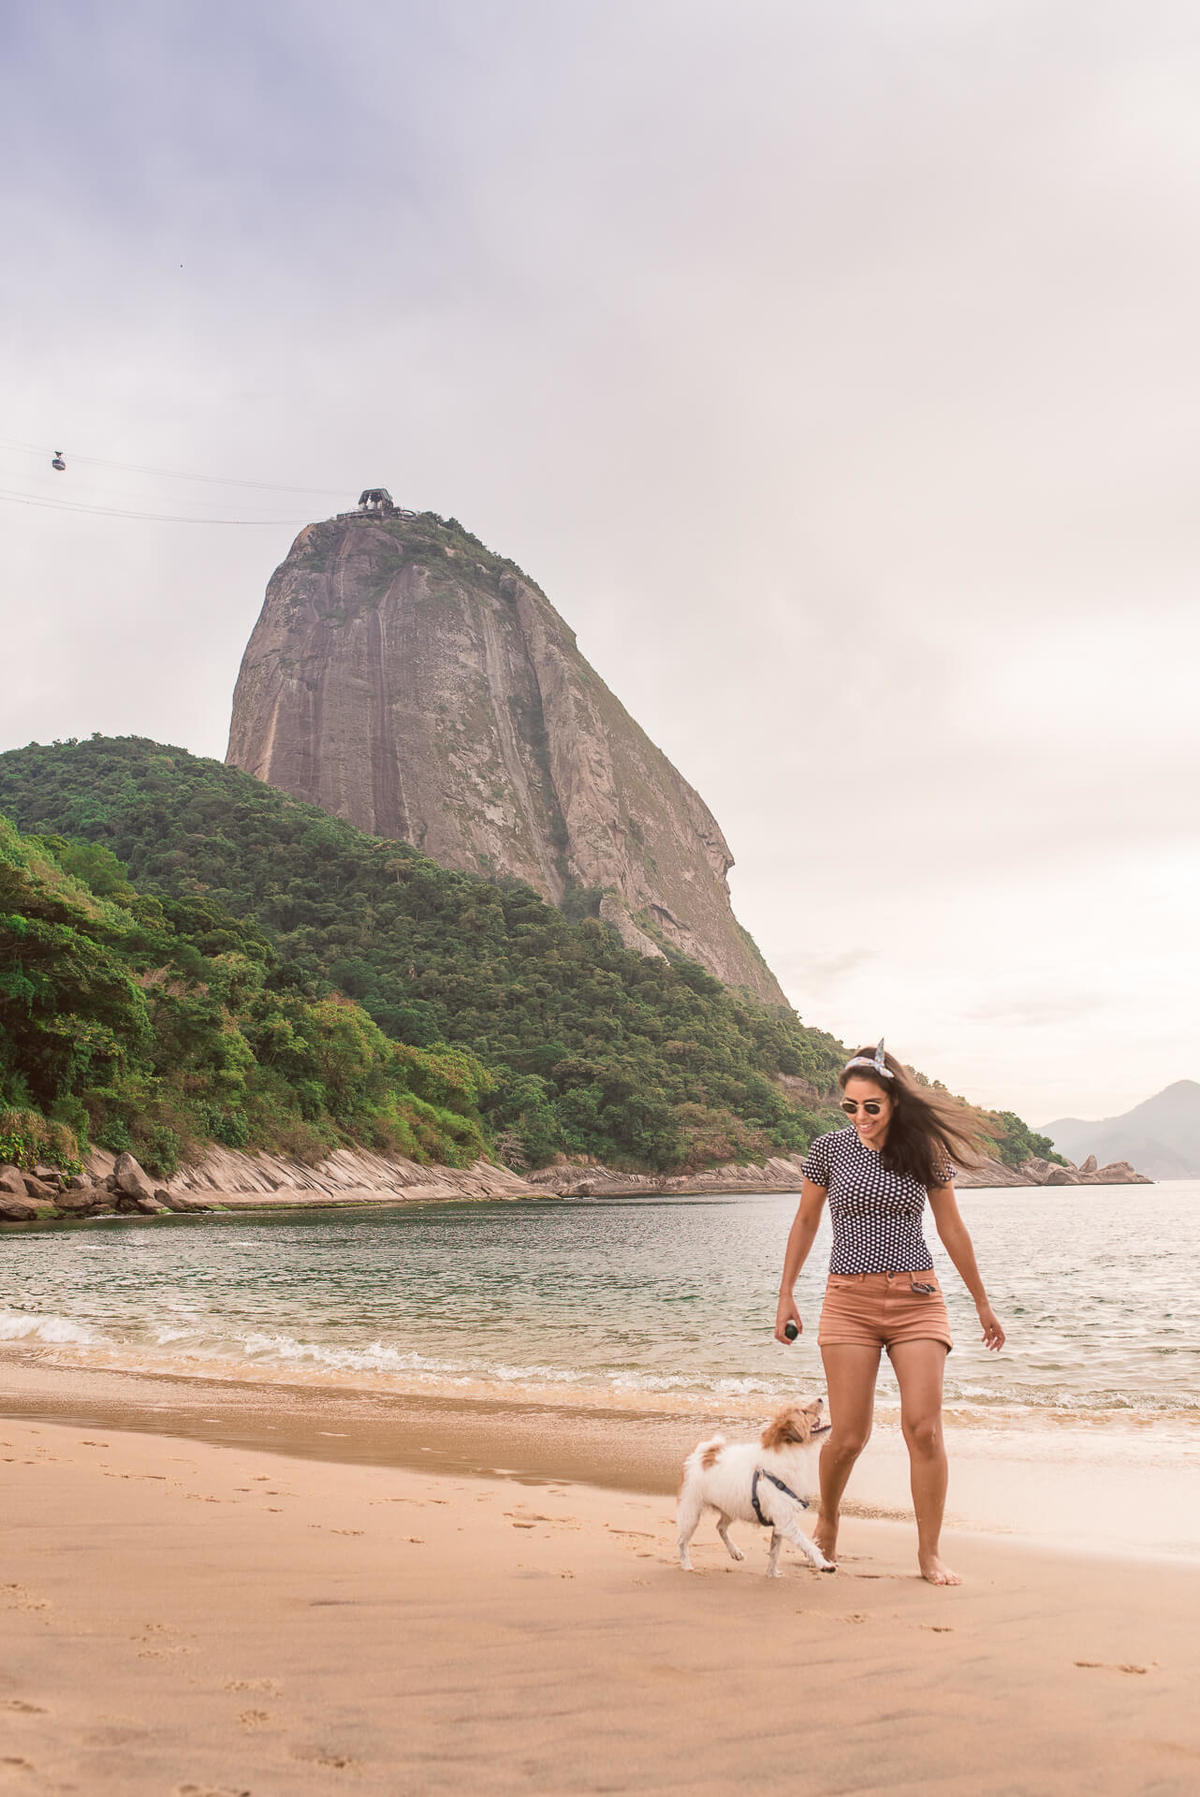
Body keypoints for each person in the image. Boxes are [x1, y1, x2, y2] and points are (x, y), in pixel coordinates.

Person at [774, 1041, 1004, 1585]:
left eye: (871, 1107)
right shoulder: (829, 1149)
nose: (860, 1118)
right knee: (849, 1436)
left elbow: (951, 1228)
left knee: (923, 1431)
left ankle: (928, 1554)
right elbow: (806, 1223)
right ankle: (827, 1522)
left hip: (917, 1301)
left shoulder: (924, 1151)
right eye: (850, 1107)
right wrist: (786, 1293)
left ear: (894, 1102)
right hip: (847, 1302)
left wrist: (981, 1300)